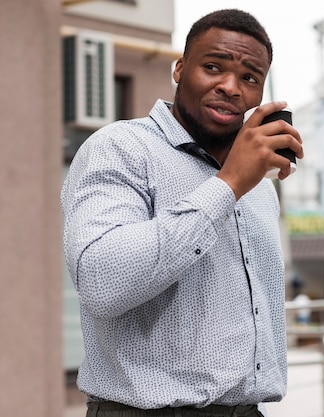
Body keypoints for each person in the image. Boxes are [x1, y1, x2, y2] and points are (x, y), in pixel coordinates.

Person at [61, 9, 303, 417]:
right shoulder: (121, 148)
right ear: (179, 69)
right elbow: (102, 283)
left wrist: (241, 179)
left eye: (250, 78)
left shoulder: (259, 184)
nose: (230, 87)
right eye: (213, 67)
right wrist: (227, 187)